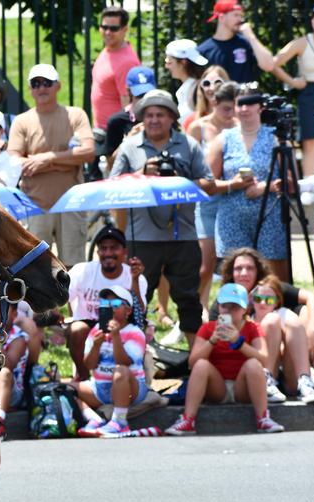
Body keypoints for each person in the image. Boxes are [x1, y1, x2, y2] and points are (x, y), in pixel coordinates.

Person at [109, 89, 214, 345]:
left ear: (172, 118)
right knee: (135, 299)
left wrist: (180, 180)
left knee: (189, 299)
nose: (154, 120)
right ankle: (133, 357)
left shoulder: (188, 145)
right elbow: (112, 186)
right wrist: (141, 173)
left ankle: (195, 360)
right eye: (149, 115)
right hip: (142, 237)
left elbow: (208, 183)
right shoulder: (129, 147)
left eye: (161, 115)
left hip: (183, 235)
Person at [165, 283, 284, 435]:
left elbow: (264, 360)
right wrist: (212, 341)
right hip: (217, 388)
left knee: (253, 364)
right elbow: (192, 363)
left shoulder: (252, 328)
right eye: (225, 306)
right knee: (201, 364)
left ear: (244, 309)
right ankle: (188, 420)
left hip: (243, 388)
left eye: (234, 307)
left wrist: (238, 342)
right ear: (219, 307)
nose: (228, 311)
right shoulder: (208, 328)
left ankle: (263, 418)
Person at [7, 63, 94, 268]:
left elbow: (88, 152)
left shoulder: (76, 115)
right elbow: (13, 162)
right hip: (34, 204)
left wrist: (45, 159)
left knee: (75, 268)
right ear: (29, 89)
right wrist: (67, 162)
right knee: (35, 267)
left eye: (47, 82)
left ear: (58, 86)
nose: (41, 88)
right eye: (36, 83)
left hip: (71, 204)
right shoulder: (21, 121)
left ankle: (75, 303)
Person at [216, 247, 314, 394]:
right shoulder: (225, 299)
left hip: (287, 364)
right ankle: (272, 380)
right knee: (272, 321)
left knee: (302, 313)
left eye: (250, 268)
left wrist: (311, 330)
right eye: (238, 268)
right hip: (248, 367)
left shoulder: (269, 288)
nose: (244, 273)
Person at [207, 84, 288, 280]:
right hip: (232, 220)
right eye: (239, 104)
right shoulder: (223, 139)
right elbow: (206, 184)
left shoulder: (275, 138)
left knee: (273, 279)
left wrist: (264, 187)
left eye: (250, 103)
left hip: (270, 217)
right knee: (236, 277)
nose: (244, 109)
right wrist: (232, 185)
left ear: (260, 106)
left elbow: (290, 181)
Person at [66, 226, 147, 382]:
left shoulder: (135, 275)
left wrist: (135, 280)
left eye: (114, 248)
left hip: (122, 325)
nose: (108, 253)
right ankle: (83, 377)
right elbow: (62, 296)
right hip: (89, 324)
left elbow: (139, 311)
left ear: (125, 252)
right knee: (76, 330)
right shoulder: (82, 271)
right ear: (97, 253)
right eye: (103, 248)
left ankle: (126, 380)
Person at [271, 3, 314, 177]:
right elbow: (274, 63)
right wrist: (293, 82)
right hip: (310, 92)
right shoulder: (302, 42)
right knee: (310, 140)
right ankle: (310, 184)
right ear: (311, 21)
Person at [188, 81, 239, 316]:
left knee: (231, 264)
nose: (232, 114)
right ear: (214, 103)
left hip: (233, 201)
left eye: (235, 108)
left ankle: (228, 310)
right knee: (204, 266)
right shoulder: (199, 127)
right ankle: (197, 312)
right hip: (207, 202)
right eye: (227, 108)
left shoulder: (240, 127)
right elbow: (191, 168)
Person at [75, 285, 148, 438]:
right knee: (67, 389)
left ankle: (120, 422)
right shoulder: (96, 330)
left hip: (130, 388)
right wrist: (96, 345)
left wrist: (116, 337)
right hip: (100, 388)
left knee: (120, 370)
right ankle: (94, 419)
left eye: (115, 305)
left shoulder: (135, 333)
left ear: (128, 311)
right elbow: (89, 366)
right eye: (106, 305)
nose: (110, 309)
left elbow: (125, 362)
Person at [250, 275, 314, 403]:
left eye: (269, 300)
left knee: (281, 320)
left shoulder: (282, 314)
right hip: (257, 374)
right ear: (252, 300)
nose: (262, 303)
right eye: (258, 298)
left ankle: (304, 381)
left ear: (277, 302)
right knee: (271, 322)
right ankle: (267, 382)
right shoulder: (246, 319)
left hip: (288, 376)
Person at [197, 1, 274, 84]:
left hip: (244, 96)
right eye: (236, 15)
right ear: (221, 17)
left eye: (241, 16)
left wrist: (251, 37)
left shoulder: (246, 43)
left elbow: (269, 65)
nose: (240, 19)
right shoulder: (204, 50)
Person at [90, 5, 141, 129]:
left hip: (114, 134)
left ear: (124, 29)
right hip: (101, 129)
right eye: (104, 27)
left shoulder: (127, 62)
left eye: (113, 28)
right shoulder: (109, 49)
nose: (107, 32)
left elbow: (128, 107)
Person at [99, 66, 157, 162]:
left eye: (148, 95)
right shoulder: (117, 122)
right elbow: (111, 165)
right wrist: (128, 141)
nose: (144, 101)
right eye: (140, 95)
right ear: (129, 92)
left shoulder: (163, 119)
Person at [0, 301, 29, 439]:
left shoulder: (20, 338)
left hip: (12, 391)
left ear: (14, 314)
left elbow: (8, 365)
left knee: (4, 373)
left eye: (4, 309)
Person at [164, 39, 209, 123]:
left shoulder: (197, 90)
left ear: (183, 63)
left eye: (169, 62)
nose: (166, 66)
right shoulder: (190, 87)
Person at [183, 64, 230, 130]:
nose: (212, 88)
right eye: (206, 83)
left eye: (217, 82)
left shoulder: (237, 118)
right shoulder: (191, 121)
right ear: (201, 88)